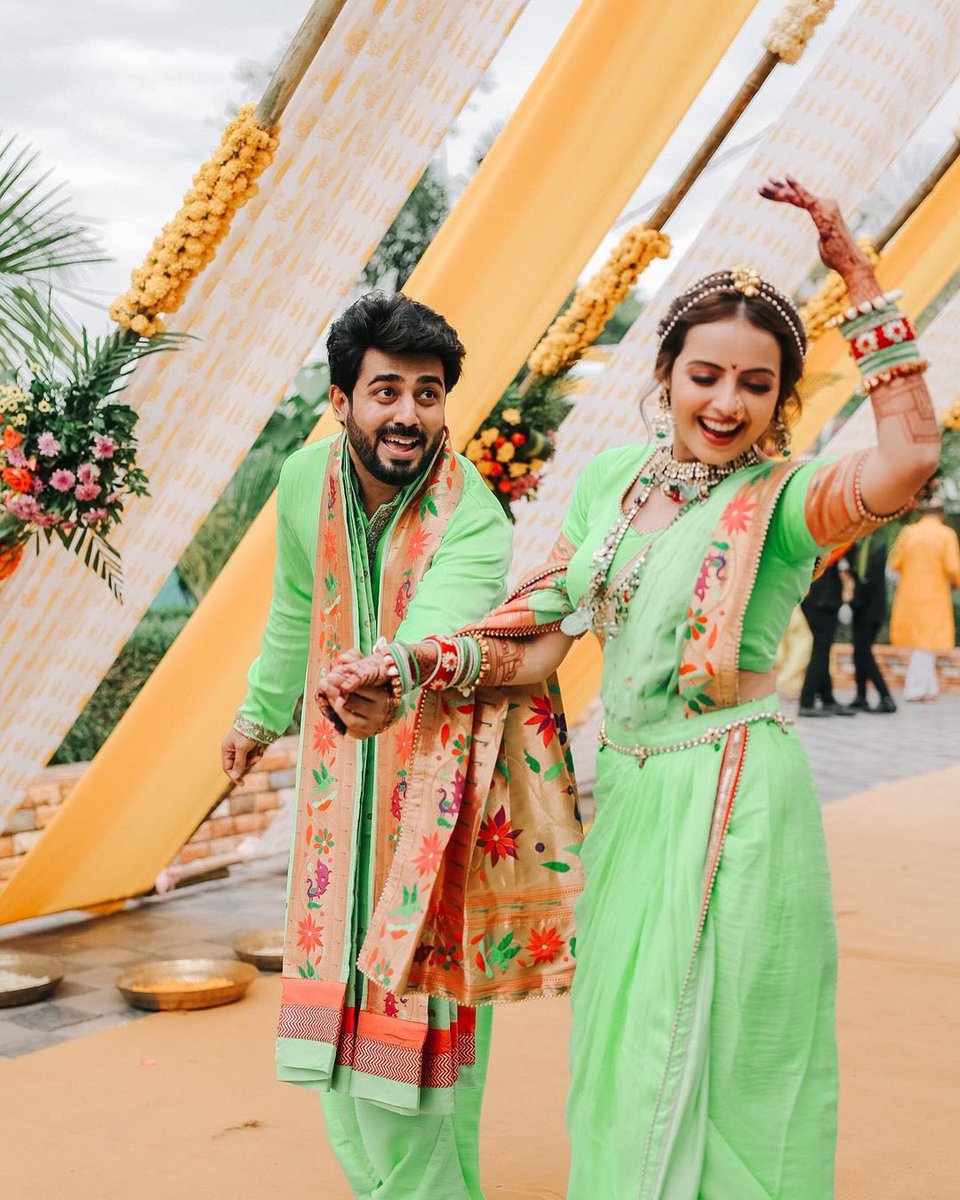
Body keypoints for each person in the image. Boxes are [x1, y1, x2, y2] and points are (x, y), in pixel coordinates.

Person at [318, 177, 940, 1199]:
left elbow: (910, 455)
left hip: (732, 795)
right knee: (621, 1038)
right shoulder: (615, 482)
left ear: (782, 397)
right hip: (635, 793)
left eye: (755, 384)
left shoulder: (782, 502)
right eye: (705, 375)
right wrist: (412, 664)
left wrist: (860, 278)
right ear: (666, 374)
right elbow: (537, 639)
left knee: (727, 1046)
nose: (726, 404)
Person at [220, 292, 517, 1199]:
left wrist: (385, 671)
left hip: (430, 785)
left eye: (428, 394)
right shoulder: (304, 480)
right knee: (332, 1008)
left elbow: (432, 628)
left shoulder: (476, 517)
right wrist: (257, 714)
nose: (409, 415)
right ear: (342, 401)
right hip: (333, 780)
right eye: (386, 391)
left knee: (422, 1015)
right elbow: (294, 610)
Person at [888, 496, 960, 701]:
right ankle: (916, 688)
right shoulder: (946, 534)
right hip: (935, 596)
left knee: (923, 644)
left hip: (909, 596)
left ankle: (929, 688)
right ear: (941, 513)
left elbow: (895, 563)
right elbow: (954, 568)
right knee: (926, 644)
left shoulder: (908, 533)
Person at [798, 558, 858, 717]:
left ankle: (827, 698)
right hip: (821, 600)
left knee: (823, 649)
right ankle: (807, 700)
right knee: (821, 649)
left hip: (819, 597)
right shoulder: (830, 543)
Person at [846, 533, 896, 712]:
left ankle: (886, 697)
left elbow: (868, 578)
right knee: (859, 652)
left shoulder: (874, 544)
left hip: (869, 608)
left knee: (863, 652)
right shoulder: (865, 543)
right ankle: (861, 697)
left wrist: (854, 601)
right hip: (865, 607)